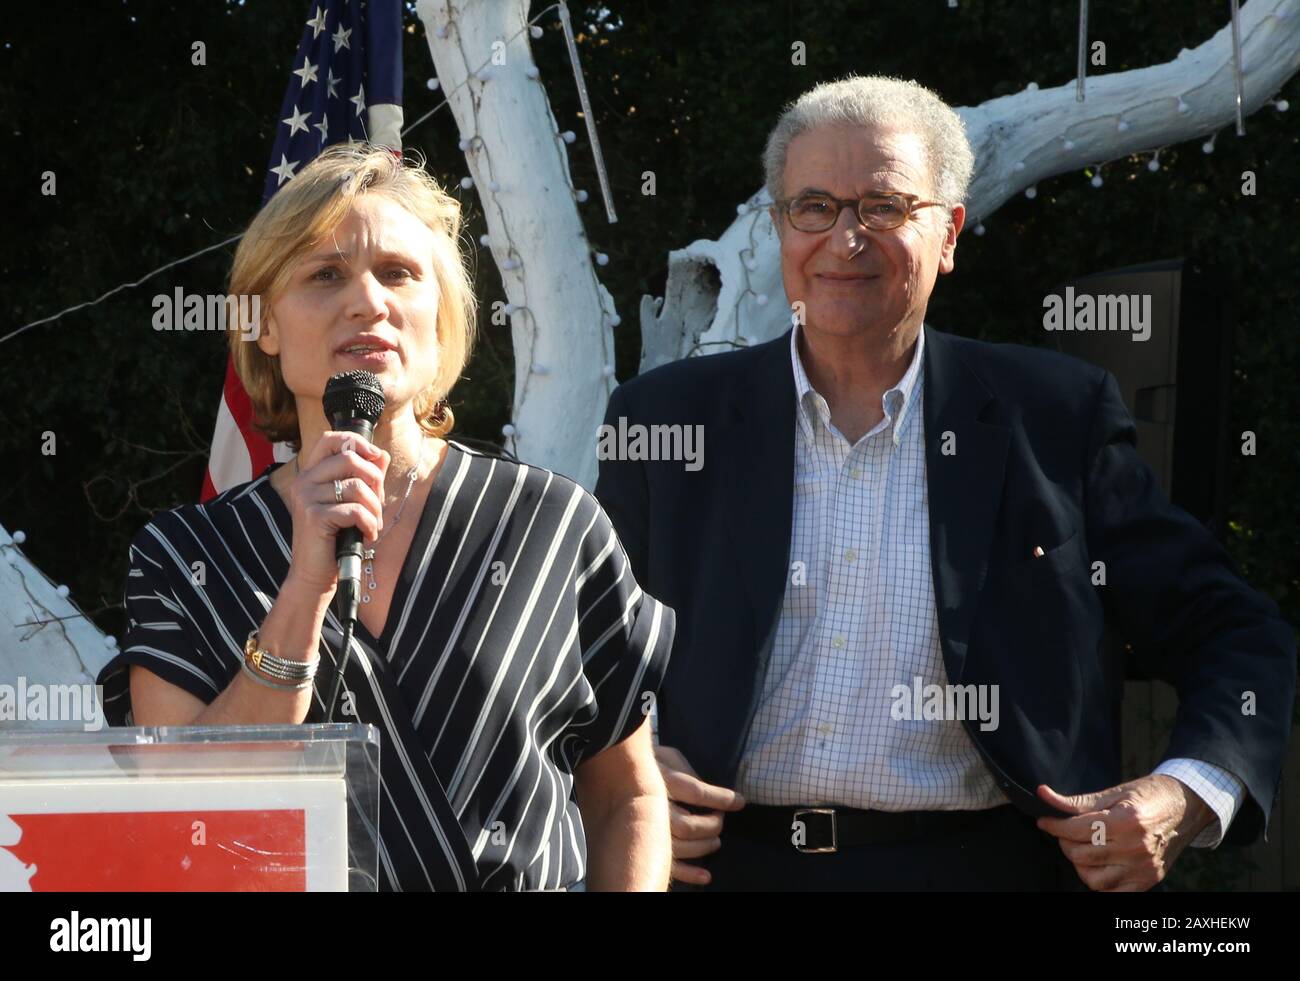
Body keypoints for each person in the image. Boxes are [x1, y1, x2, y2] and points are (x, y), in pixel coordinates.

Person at [593, 75, 1296, 891]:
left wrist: (1186, 793)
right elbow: (570, 659)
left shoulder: (1054, 417)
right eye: (813, 207)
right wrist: (617, 774)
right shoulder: (667, 421)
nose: (845, 239)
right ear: (781, 229)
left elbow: (1235, 631)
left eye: (885, 207)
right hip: (720, 871)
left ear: (951, 232)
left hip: (990, 869)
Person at [98, 143, 674, 892]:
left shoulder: (555, 525)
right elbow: (184, 811)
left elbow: (626, 794)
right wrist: (304, 588)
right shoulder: (184, 556)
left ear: (440, 315)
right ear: (264, 324)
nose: (367, 301)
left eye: (399, 273)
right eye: (324, 274)